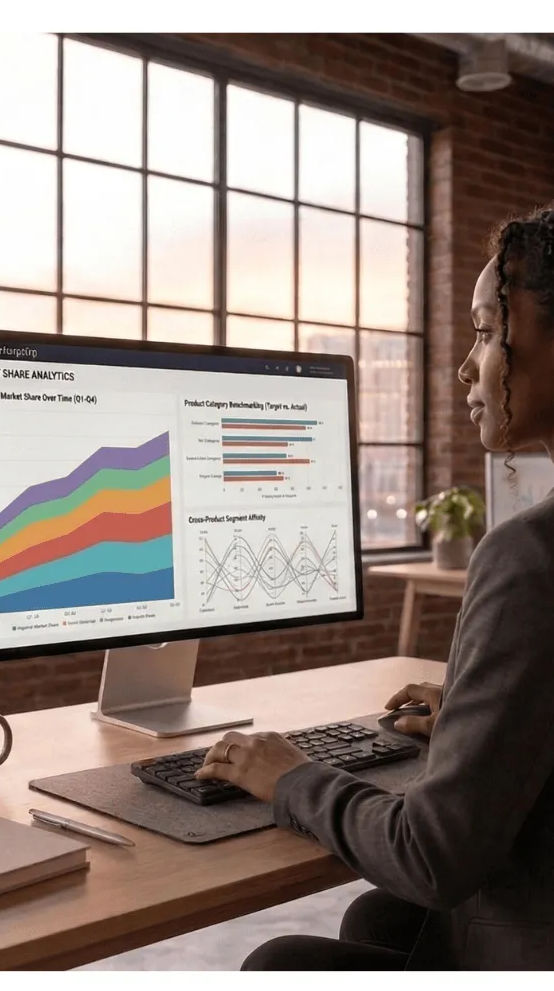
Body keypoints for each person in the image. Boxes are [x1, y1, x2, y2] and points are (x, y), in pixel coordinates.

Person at [196, 203, 554, 970]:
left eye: (487, 332)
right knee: (380, 919)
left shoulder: (530, 557)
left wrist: (291, 776)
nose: (467, 367)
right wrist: (483, 718)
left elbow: (432, 856)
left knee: (280, 964)